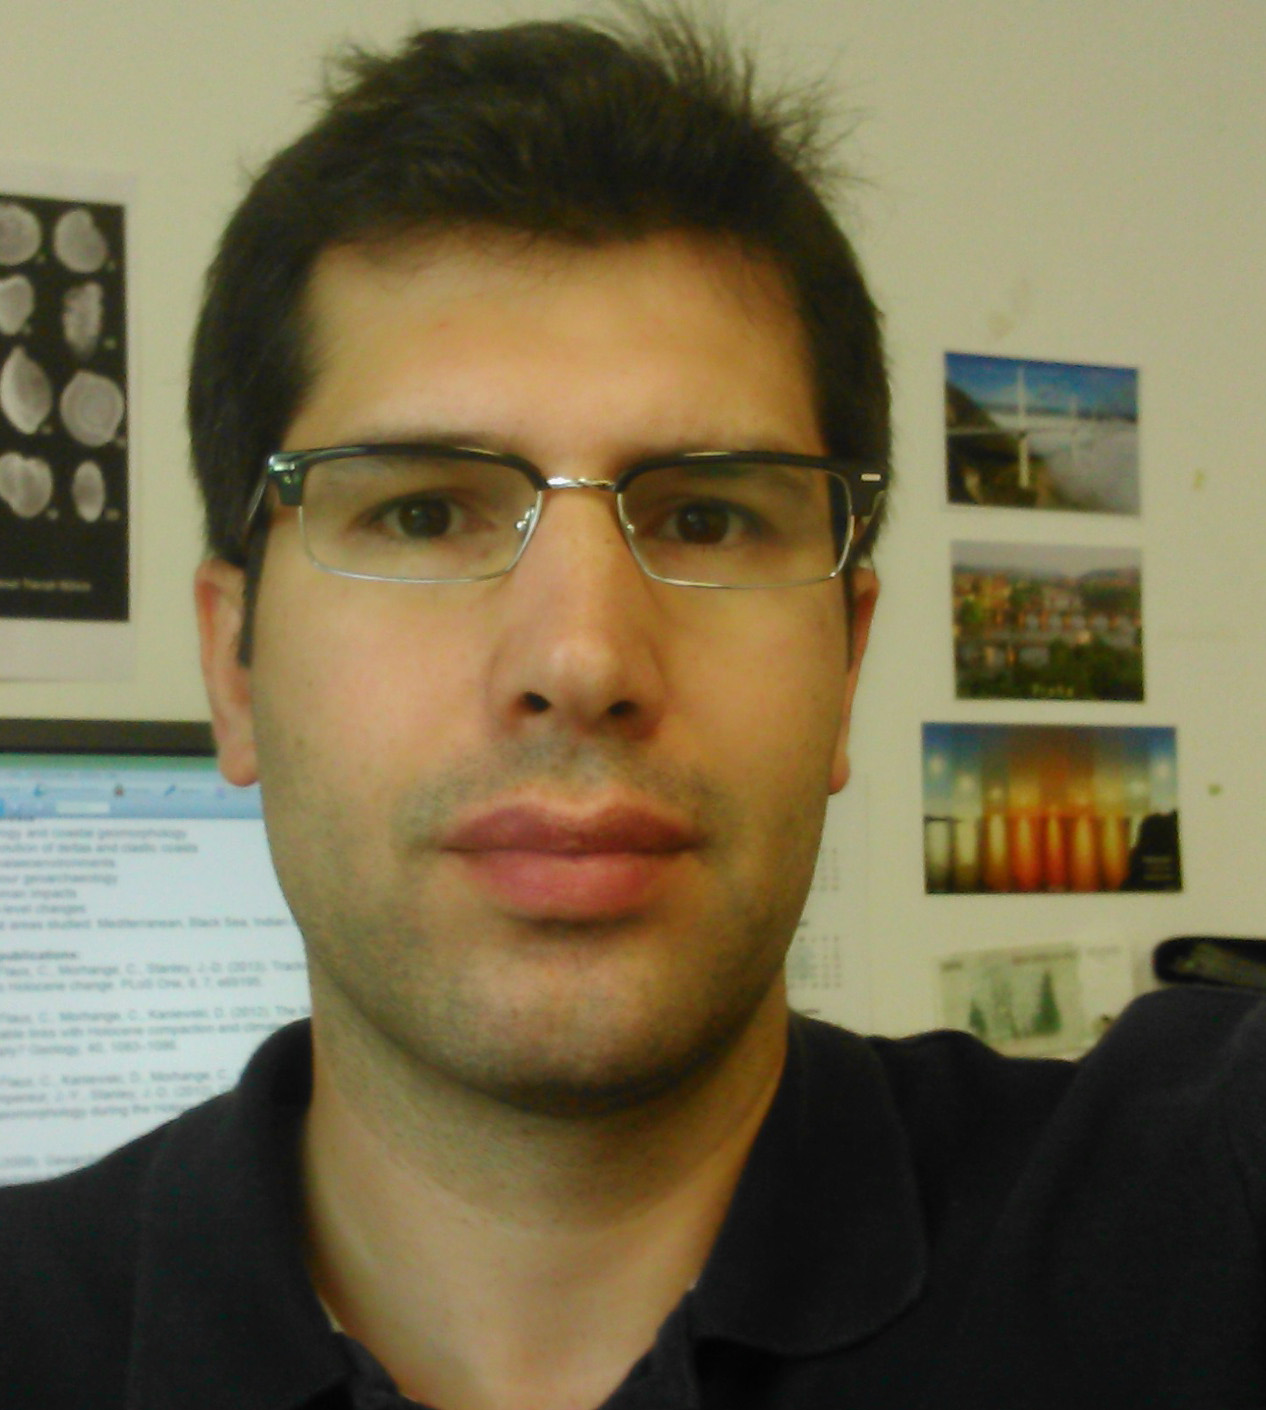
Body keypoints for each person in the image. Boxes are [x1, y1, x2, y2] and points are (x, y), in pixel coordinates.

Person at [3, 8, 1264, 1409]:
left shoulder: (1197, 1222)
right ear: (235, 669)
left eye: (706, 517)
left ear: (847, 663)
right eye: (422, 511)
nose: (584, 654)